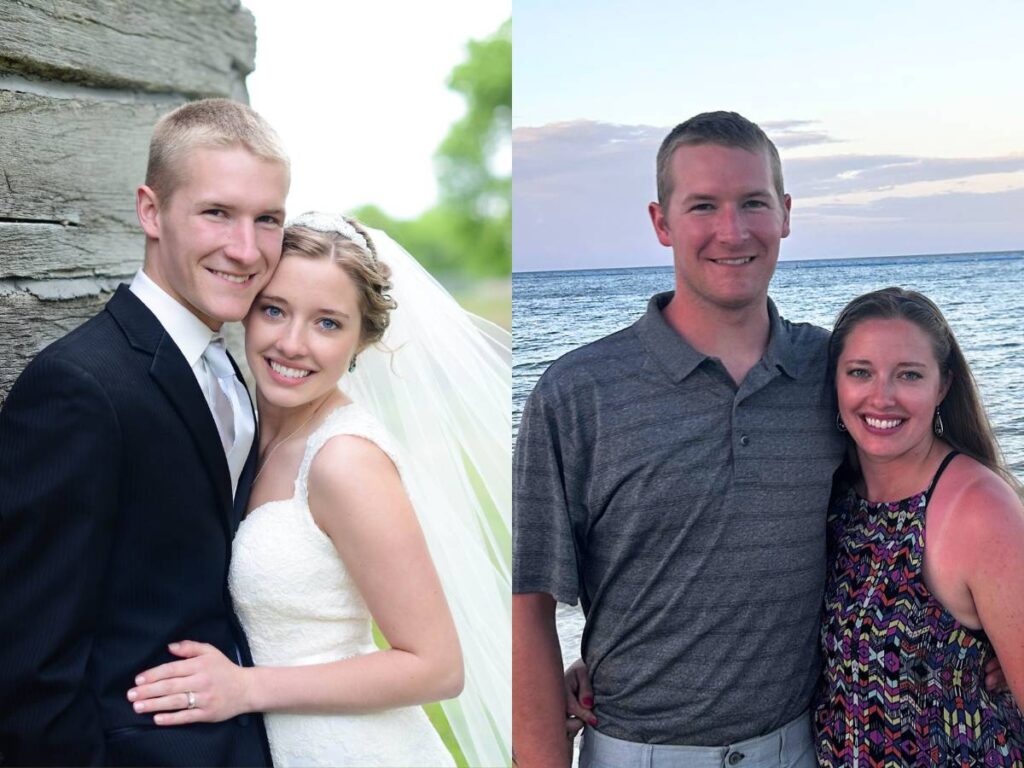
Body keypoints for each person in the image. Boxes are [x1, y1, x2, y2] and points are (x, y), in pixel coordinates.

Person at [513, 111, 848, 767]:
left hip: (803, 748)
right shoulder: (578, 392)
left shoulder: (834, 374)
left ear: (784, 212)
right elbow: (530, 605)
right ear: (661, 222)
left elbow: (924, 509)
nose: (733, 230)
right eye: (703, 206)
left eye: (753, 202)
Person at [124, 214, 513, 768]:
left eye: (328, 323)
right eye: (275, 310)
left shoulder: (344, 461)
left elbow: (436, 667)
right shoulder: (241, 430)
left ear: (364, 339)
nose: (291, 343)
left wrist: (246, 688)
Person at [0, 98, 289, 765]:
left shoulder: (230, 369)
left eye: (267, 219)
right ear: (151, 211)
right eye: (217, 212)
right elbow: (30, 666)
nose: (246, 250)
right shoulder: (78, 388)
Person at [814, 287, 1024, 765]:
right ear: (836, 382)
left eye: (909, 374)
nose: (881, 397)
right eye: (860, 372)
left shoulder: (976, 506)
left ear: (943, 386)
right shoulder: (836, 500)